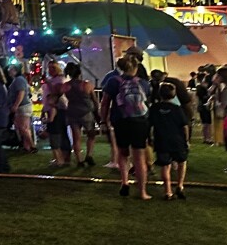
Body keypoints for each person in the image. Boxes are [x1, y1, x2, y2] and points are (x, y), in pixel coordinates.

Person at [101, 54, 152, 199]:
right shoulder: (143, 83)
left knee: (123, 154)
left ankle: (125, 182)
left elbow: (105, 103)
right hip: (140, 121)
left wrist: (103, 121)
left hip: (120, 120)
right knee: (139, 157)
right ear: (136, 68)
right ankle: (142, 191)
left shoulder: (113, 81)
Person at [147, 82, 190, 200]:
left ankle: (168, 191)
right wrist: (186, 140)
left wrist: (149, 138)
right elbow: (184, 126)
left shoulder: (154, 108)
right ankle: (180, 185)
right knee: (182, 162)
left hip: (161, 140)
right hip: (177, 140)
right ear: (173, 94)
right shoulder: (177, 109)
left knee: (165, 166)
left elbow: (149, 125)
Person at [63, 62, 99, 168]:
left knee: (76, 137)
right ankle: (89, 155)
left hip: (73, 112)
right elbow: (95, 100)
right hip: (86, 112)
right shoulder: (86, 85)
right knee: (91, 134)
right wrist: (97, 111)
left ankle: (79, 160)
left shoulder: (66, 86)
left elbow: (58, 94)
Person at [40, 60, 70, 166]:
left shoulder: (60, 79)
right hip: (51, 107)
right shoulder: (52, 79)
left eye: (53, 68)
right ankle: (59, 157)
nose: (50, 70)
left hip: (59, 108)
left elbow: (57, 92)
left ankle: (64, 157)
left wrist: (48, 83)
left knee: (59, 133)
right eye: (49, 68)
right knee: (56, 133)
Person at [6, 64, 36, 153]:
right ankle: (27, 147)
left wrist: (15, 105)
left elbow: (21, 93)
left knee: (23, 127)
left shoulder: (19, 80)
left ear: (15, 70)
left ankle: (32, 146)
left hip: (22, 107)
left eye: (10, 69)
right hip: (22, 106)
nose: (8, 70)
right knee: (23, 127)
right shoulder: (18, 80)